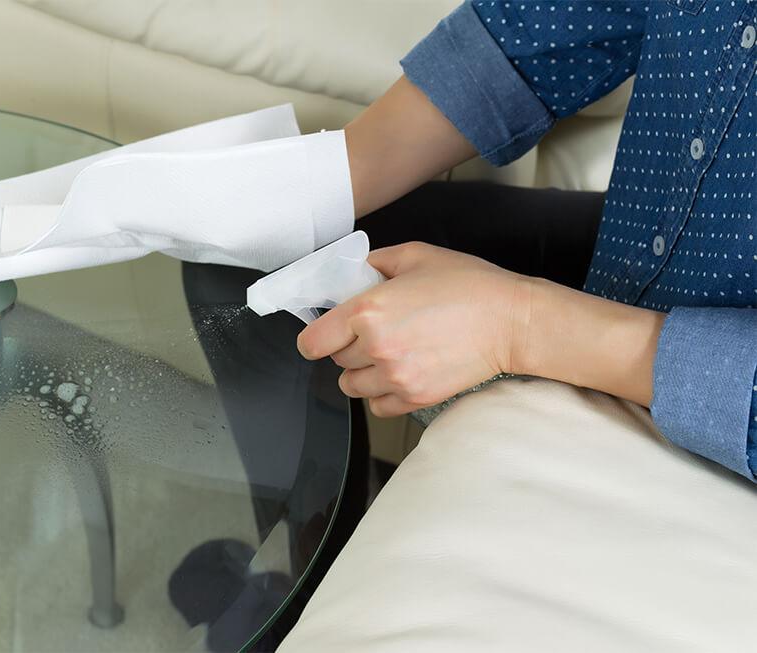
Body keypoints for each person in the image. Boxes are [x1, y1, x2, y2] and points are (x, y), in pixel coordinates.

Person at [296, 0, 756, 483]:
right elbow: (548, 26)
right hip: (637, 232)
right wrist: (310, 191)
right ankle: (301, 531)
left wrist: (517, 324)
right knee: (310, 251)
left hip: (719, 382)